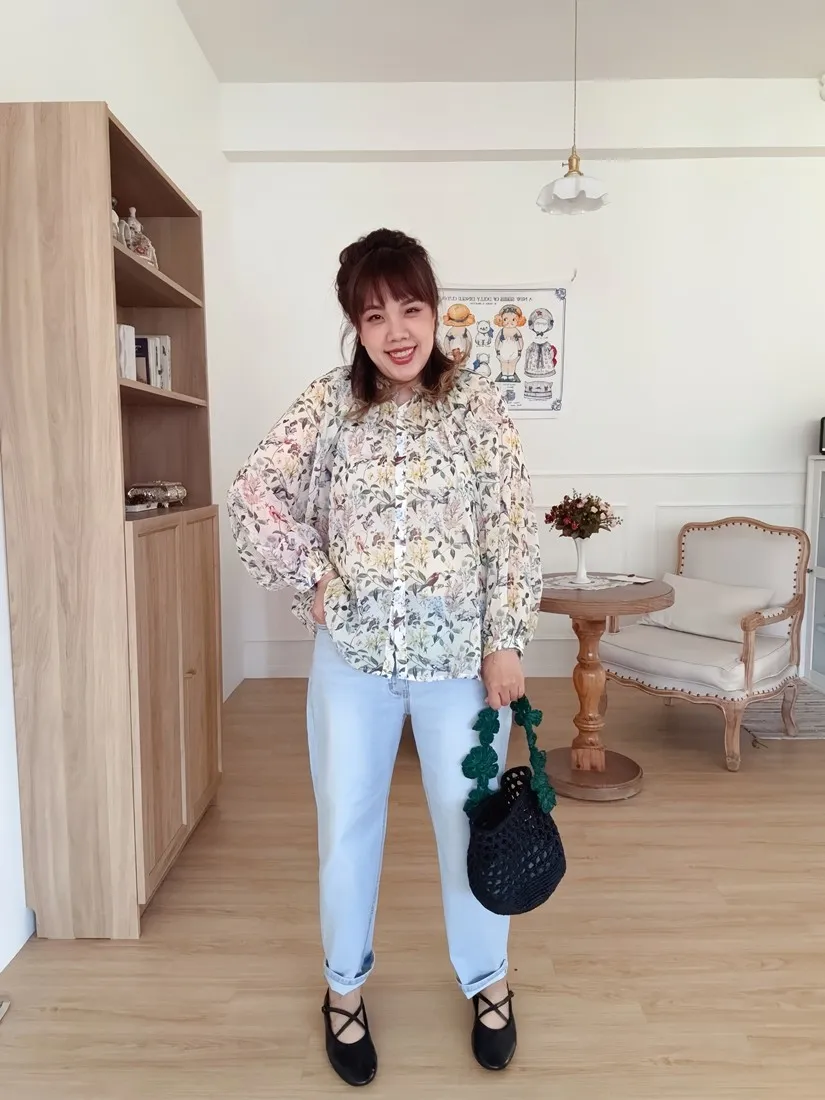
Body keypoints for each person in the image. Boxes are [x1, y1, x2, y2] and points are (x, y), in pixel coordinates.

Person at [226, 228, 543, 1087]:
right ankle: (343, 989)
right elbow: (253, 492)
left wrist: (505, 640)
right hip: (353, 664)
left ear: (434, 310)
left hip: (460, 668)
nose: (396, 331)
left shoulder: (474, 406)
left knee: (470, 824)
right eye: (374, 315)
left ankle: (487, 981)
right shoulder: (329, 404)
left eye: (409, 308)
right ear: (354, 326)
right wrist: (315, 579)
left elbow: (510, 526)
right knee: (346, 827)